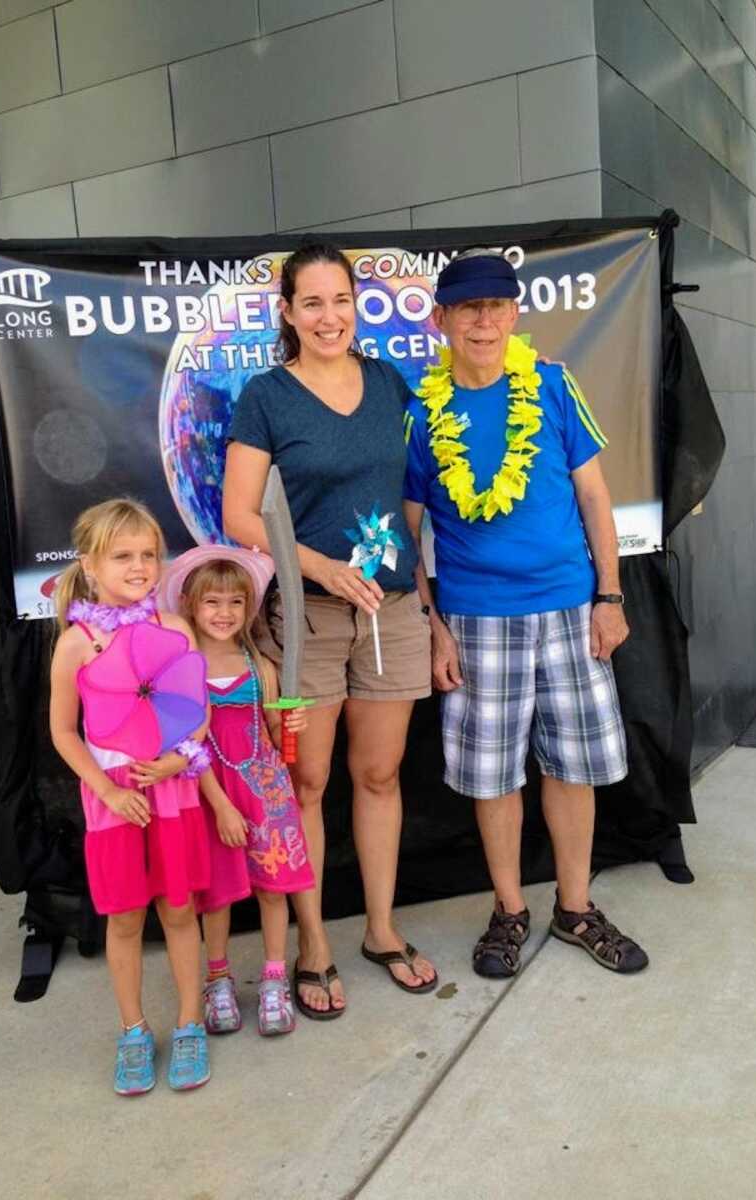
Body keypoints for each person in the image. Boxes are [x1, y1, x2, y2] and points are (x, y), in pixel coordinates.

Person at [404, 251, 649, 978]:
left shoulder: (550, 385)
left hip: (572, 610)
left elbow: (597, 499)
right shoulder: (421, 413)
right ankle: (509, 909)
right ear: (441, 318)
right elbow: (403, 527)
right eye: (468, 308)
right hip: (476, 619)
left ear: (514, 316)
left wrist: (609, 596)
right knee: (493, 775)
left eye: (497, 307)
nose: (484, 320)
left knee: (573, 768)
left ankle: (575, 908)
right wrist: (432, 624)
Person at [223, 240, 438, 1018]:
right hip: (308, 617)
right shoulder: (267, 396)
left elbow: (413, 495)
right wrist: (318, 568)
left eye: (340, 300)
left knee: (379, 777)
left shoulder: (388, 383)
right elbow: (239, 515)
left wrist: (425, 601)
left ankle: (380, 930)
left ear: (358, 306)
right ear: (287, 312)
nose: (328, 316)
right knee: (307, 783)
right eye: (311, 302)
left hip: (392, 611)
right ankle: (313, 944)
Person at [49, 498, 215, 1095]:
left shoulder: (174, 628)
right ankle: (134, 1030)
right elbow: (64, 731)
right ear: (91, 565)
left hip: (170, 792)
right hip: (113, 801)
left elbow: (194, 713)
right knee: (124, 918)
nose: (140, 567)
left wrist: (178, 757)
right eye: (123, 556)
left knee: (178, 909)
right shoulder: (78, 642)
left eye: (149, 555)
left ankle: (190, 1022)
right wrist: (107, 793)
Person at [160, 544, 314, 1037]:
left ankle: (273, 976)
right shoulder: (182, 670)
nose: (224, 613)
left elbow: (272, 731)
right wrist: (221, 805)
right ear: (190, 606)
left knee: (273, 886)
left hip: (263, 786)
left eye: (235, 603)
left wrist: (291, 722)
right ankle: (218, 976)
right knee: (218, 892)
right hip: (210, 793)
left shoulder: (260, 664)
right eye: (212, 602)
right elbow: (187, 745)